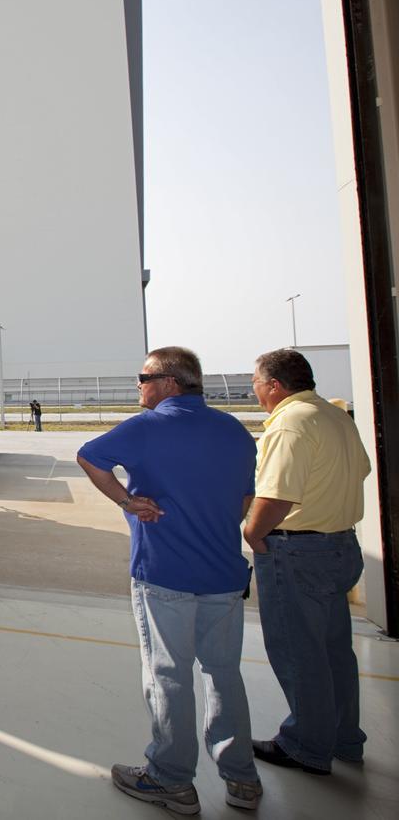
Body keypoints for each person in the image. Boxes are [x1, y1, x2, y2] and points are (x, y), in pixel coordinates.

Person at [77, 346, 262, 814]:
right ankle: (241, 778)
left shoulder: (148, 426)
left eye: (144, 377)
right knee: (223, 674)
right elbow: (243, 501)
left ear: (169, 382)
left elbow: (89, 457)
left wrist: (127, 501)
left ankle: (171, 779)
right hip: (223, 575)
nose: (138, 385)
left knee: (168, 676)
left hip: (165, 574)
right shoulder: (234, 430)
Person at [244, 348, 371, 775]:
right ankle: (343, 737)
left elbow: (277, 494)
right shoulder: (334, 416)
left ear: (275, 385)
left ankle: (305, 745)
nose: (255, 390)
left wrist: (252, 532)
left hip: (297, 551)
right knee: (335, 650)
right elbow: (363, 470)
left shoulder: (290, 424)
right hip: (341, 547)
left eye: (257, 383)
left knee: (299, 650)